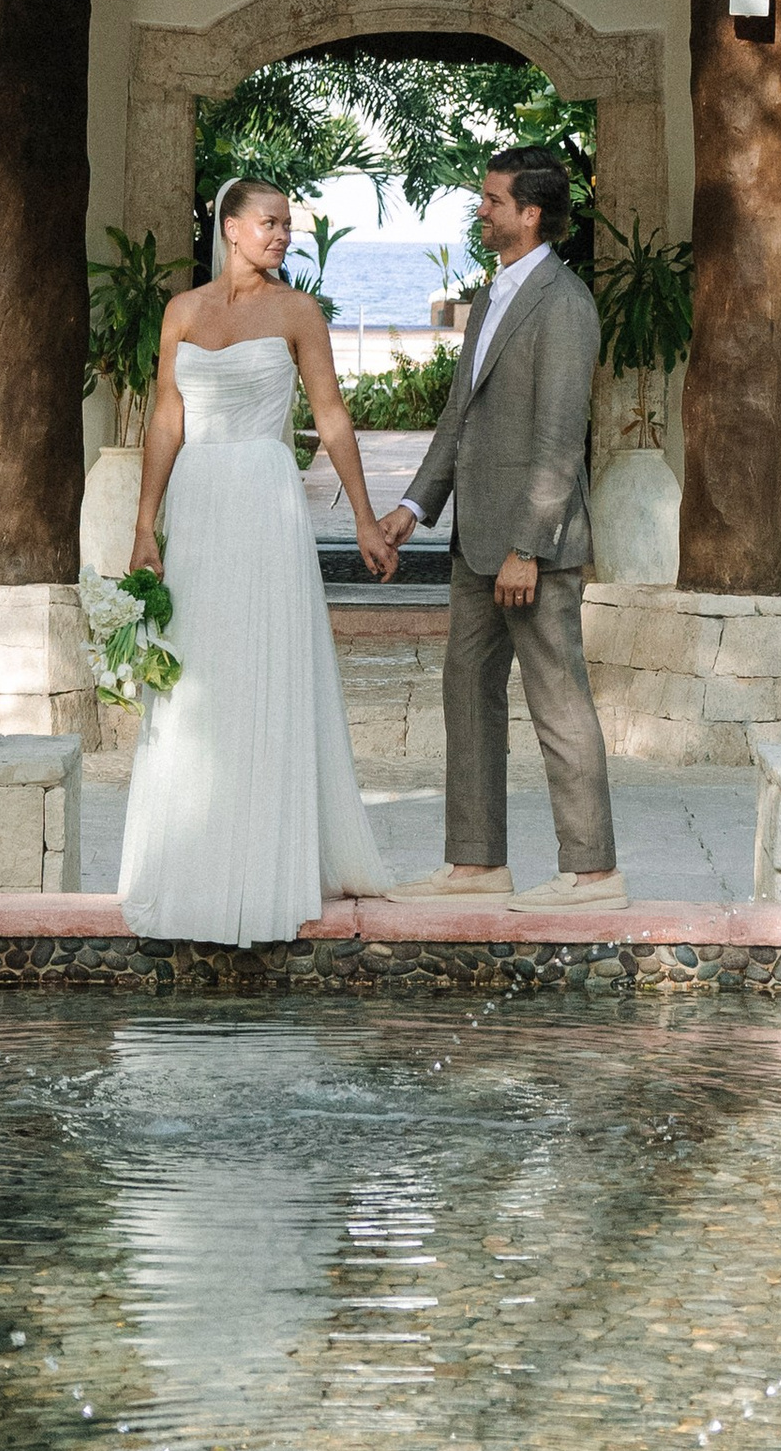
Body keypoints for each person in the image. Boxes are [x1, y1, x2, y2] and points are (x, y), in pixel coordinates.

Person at [117, 176, 395, 943]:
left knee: (262, 666)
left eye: (288, 226)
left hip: (266, 500)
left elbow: (332, 415)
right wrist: (145, 525)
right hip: (199, 501)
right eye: (270, 223)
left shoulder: (297, 311)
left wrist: (365, 520)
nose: (282, 236)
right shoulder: (183, 312)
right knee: (199, 672)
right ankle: (194, 856)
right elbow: (165, 420)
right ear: (231, 228)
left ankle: (269, 860)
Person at [379, 149, 625, 909]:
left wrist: (527, 548)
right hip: (472, 547)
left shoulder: (565, 302)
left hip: (532, 553)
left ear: (531, 214)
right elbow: (460, 420)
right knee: (466, 696)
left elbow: (559, 439)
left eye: (491, 201)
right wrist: (412, 508)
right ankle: (477, 864)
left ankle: (593, 875)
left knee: (558, 704)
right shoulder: (489, 300)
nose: (480, 211)